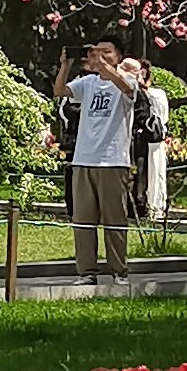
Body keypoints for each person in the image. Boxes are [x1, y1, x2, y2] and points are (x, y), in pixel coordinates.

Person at [57, 41, 137, 284]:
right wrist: (65, 66)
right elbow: (61, 91)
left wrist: (104, 66)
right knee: (82, 220)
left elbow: (127, 89)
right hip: (83, 159)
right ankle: (86, 272)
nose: (100, 56)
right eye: (96, 52)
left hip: (113, 161)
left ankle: (119, 271)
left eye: (106, 52)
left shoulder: (127, 79)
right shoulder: (88, 83)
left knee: (114, 220)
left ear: (118, 56)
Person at [132, 59, 172, 237]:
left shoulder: (154, 94)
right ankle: (148, 204)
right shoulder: (150, 94)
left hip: (151, 138)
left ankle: (152, 205)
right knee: (146, 172)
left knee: (151, 171)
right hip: (149, 138)